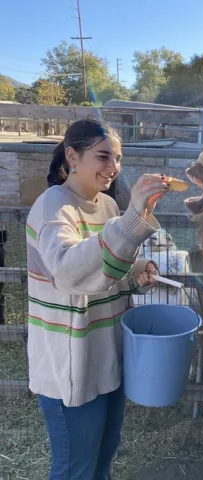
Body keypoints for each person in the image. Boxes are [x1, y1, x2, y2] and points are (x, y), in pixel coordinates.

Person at [25, 118, 171, 480]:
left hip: (106, 362)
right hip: (71, 369)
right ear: (72, 156)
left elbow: (103, 271)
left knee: (103, 461)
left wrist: (134, 273)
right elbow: (70, 273)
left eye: (118, 158)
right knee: (77, 470)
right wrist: (134, 218)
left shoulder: (105, 206)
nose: (113, 168)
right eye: (104, 156)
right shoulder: (54, 208)